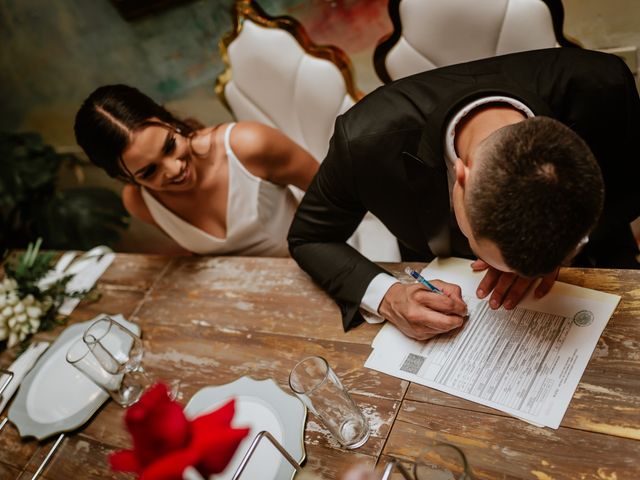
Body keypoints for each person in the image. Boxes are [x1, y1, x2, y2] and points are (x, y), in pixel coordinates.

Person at [288, 48, 640, 341]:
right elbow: (309, 237)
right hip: (443, 284)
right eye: (479, 245)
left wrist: (554, 256)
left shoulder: (604, 86)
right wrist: (388, 296)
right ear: (462, 177)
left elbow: (629, 193)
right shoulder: (364, 141)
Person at [75, 84, 318, 256]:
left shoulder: (248, 145)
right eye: (149, 172)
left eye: (170, 146)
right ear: (123, 177)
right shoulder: (139, 202)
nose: (175, 169)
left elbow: (340, 196)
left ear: (167, 121)